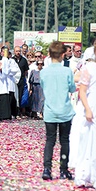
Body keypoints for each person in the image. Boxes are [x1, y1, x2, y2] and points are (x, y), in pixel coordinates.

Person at [69, 38, 96, 191]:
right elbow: (83, 91)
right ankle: (85, 175)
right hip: (92, 109)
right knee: (89, 143)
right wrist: (87, 109)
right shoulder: (89, 68)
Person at [40, 41, 76, 180]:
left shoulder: (44, 72)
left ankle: (47, 169)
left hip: (49, 111)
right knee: (64, 141)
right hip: (64, 110)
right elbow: (72, 88)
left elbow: (43, 87)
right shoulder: (67, 71)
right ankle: (63, 169)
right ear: (63, 55)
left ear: (49, 54)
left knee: (50, 141)